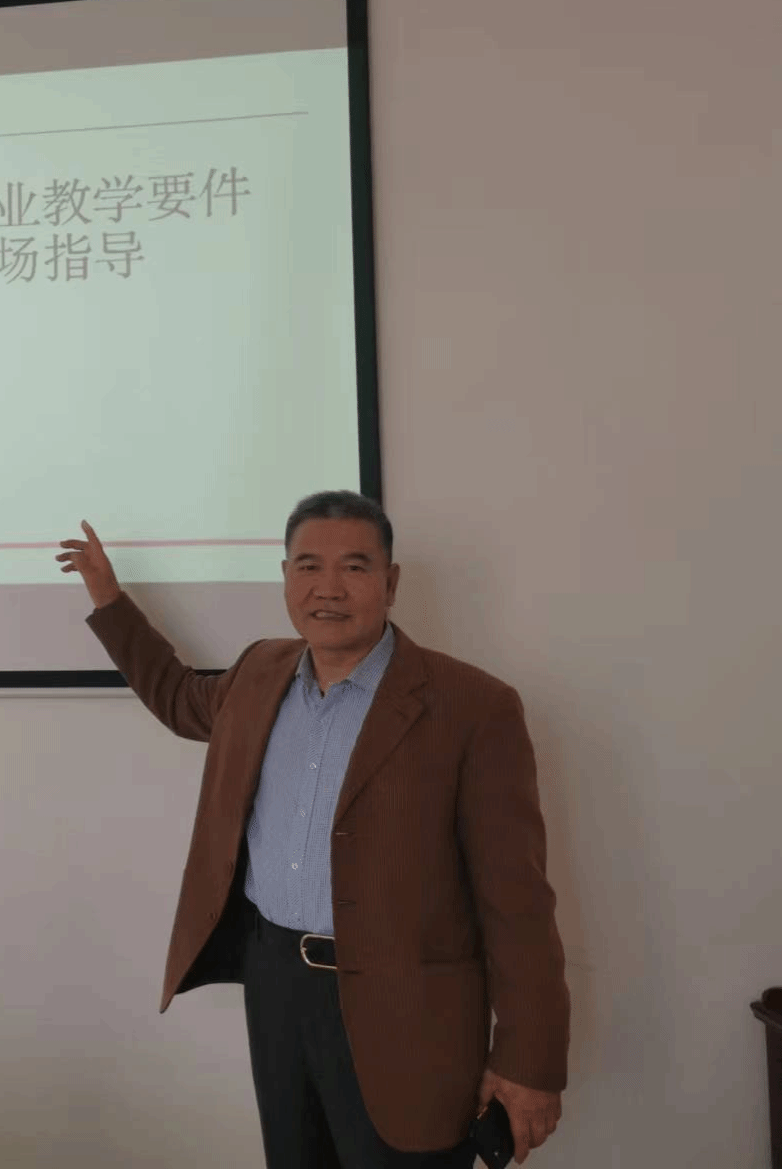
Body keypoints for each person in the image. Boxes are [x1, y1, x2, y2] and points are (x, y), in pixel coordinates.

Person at [56, 492, 568, 1169]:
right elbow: (178, 697)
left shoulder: (473, 707)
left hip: (407, 1010)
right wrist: (107, 594)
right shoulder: (258, 673)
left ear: (390, 582)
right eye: (308, 566)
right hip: (275, 983)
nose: (328, 588)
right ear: (284, 576)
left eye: (354, 567)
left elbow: (518, 904)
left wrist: (530, 1062)